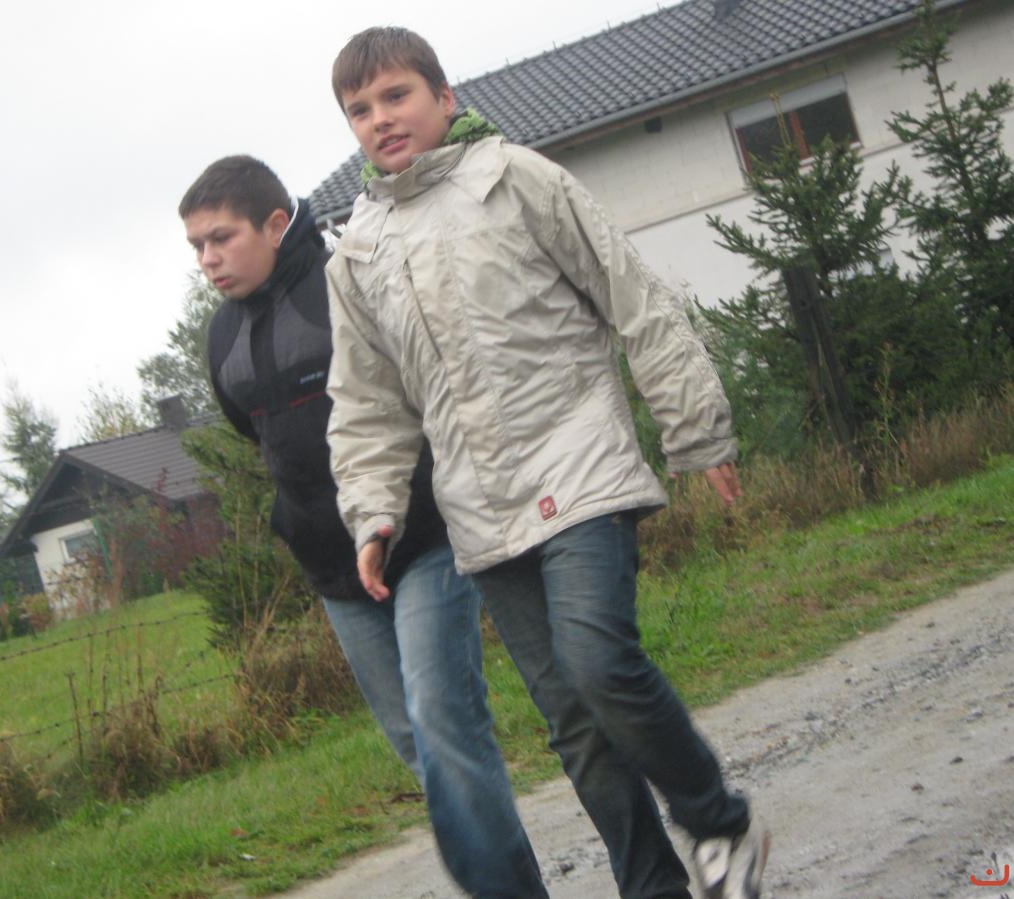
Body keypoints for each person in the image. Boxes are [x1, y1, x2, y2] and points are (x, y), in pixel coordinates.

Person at [325, 26, 769, 899]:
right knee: (574, 724)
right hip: (480, 511)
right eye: (360, 109)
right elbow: (368, 404)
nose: (381, 118)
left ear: (444, 98)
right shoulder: (358, 254)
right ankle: (654, 886)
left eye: (397, 95)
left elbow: (633, 297)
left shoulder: (517, 179)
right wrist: (373, 512)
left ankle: (719, 819)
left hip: (581, 463)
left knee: (599, 664)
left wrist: (695, 428)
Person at [178, 155, 548, 898]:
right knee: (416, 743)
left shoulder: (346, 282)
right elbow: (261, 439)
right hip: (334, 570)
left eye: (221, 238)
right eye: (196, 246)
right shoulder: (220, 339)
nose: (208, 259)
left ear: (275, 225)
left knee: (443, 723)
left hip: (424, 539)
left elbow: (425, 388)